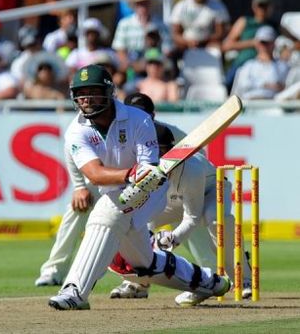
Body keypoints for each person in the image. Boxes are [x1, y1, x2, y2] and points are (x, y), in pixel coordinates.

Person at [48, 64, 231, 310]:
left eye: (93, 91)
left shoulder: (138, 119)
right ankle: (210, 282)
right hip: (119, 186)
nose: (86, 98)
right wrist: (130, 174)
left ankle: (75, 292)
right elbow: (95, 174)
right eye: (81, 93)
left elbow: (148, 169)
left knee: (106, 212)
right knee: (144, 264)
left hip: (153, 192)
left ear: (109, 92)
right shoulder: (76, 130)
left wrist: (141, 174)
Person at [109, 134, 254, 305]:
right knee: (138, 223)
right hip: (172, 201)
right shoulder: (142, 166)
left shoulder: (192, 169)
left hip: (212, 191)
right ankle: (139, 282)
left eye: (162, 152)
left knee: (216, 221)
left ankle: (243, 278)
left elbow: (192, 218)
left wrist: (172, 239)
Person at [35, 92, 157, 287]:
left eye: (145, 113)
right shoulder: (88, 126)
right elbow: (71, 151)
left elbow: (185, 154)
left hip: (148, 184)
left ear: (153, 115)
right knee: (76, 211)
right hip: (107, 178)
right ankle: (53, 270)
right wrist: (79, 186)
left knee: (150, 221)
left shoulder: (153, 127)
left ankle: (136, 279)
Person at [222, 0, 277, 90]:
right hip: (242, 65)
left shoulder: (274, 25)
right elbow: (226, 45)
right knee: (226, 88)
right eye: (261, 5)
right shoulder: (244, 21)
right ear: (254, 6)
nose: (263, 9)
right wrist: (252, 43)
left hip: (265, 69)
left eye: (266, 5)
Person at [232, 25, 289, 100]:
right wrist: (266, 85)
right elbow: (243, 86)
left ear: (274, 44)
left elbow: (287, 87)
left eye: (267, 42)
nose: (264, 46)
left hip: (274, 107)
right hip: (251, 106)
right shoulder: (248, 66)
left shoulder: (283, 66)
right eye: (262, 42)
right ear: (257, 44)